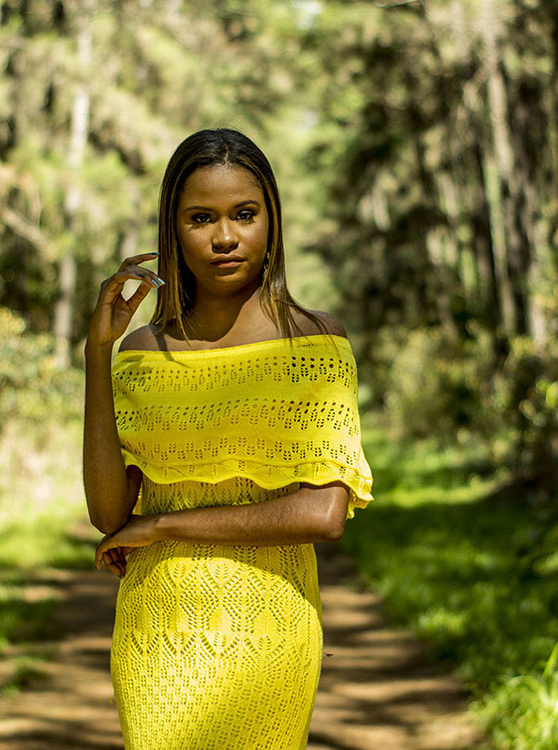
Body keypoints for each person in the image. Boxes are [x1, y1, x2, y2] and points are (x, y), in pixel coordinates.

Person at [82, 128, 373, 749]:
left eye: (245, 214)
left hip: (271, 637)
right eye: (200, 218)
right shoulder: (142, 354)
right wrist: (98, 354)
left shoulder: (315, 347)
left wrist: (161, 527)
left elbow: (323, 514)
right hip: (155, 631)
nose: (224, 237)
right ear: (172, 229)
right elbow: (109, 513)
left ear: (271, 219)